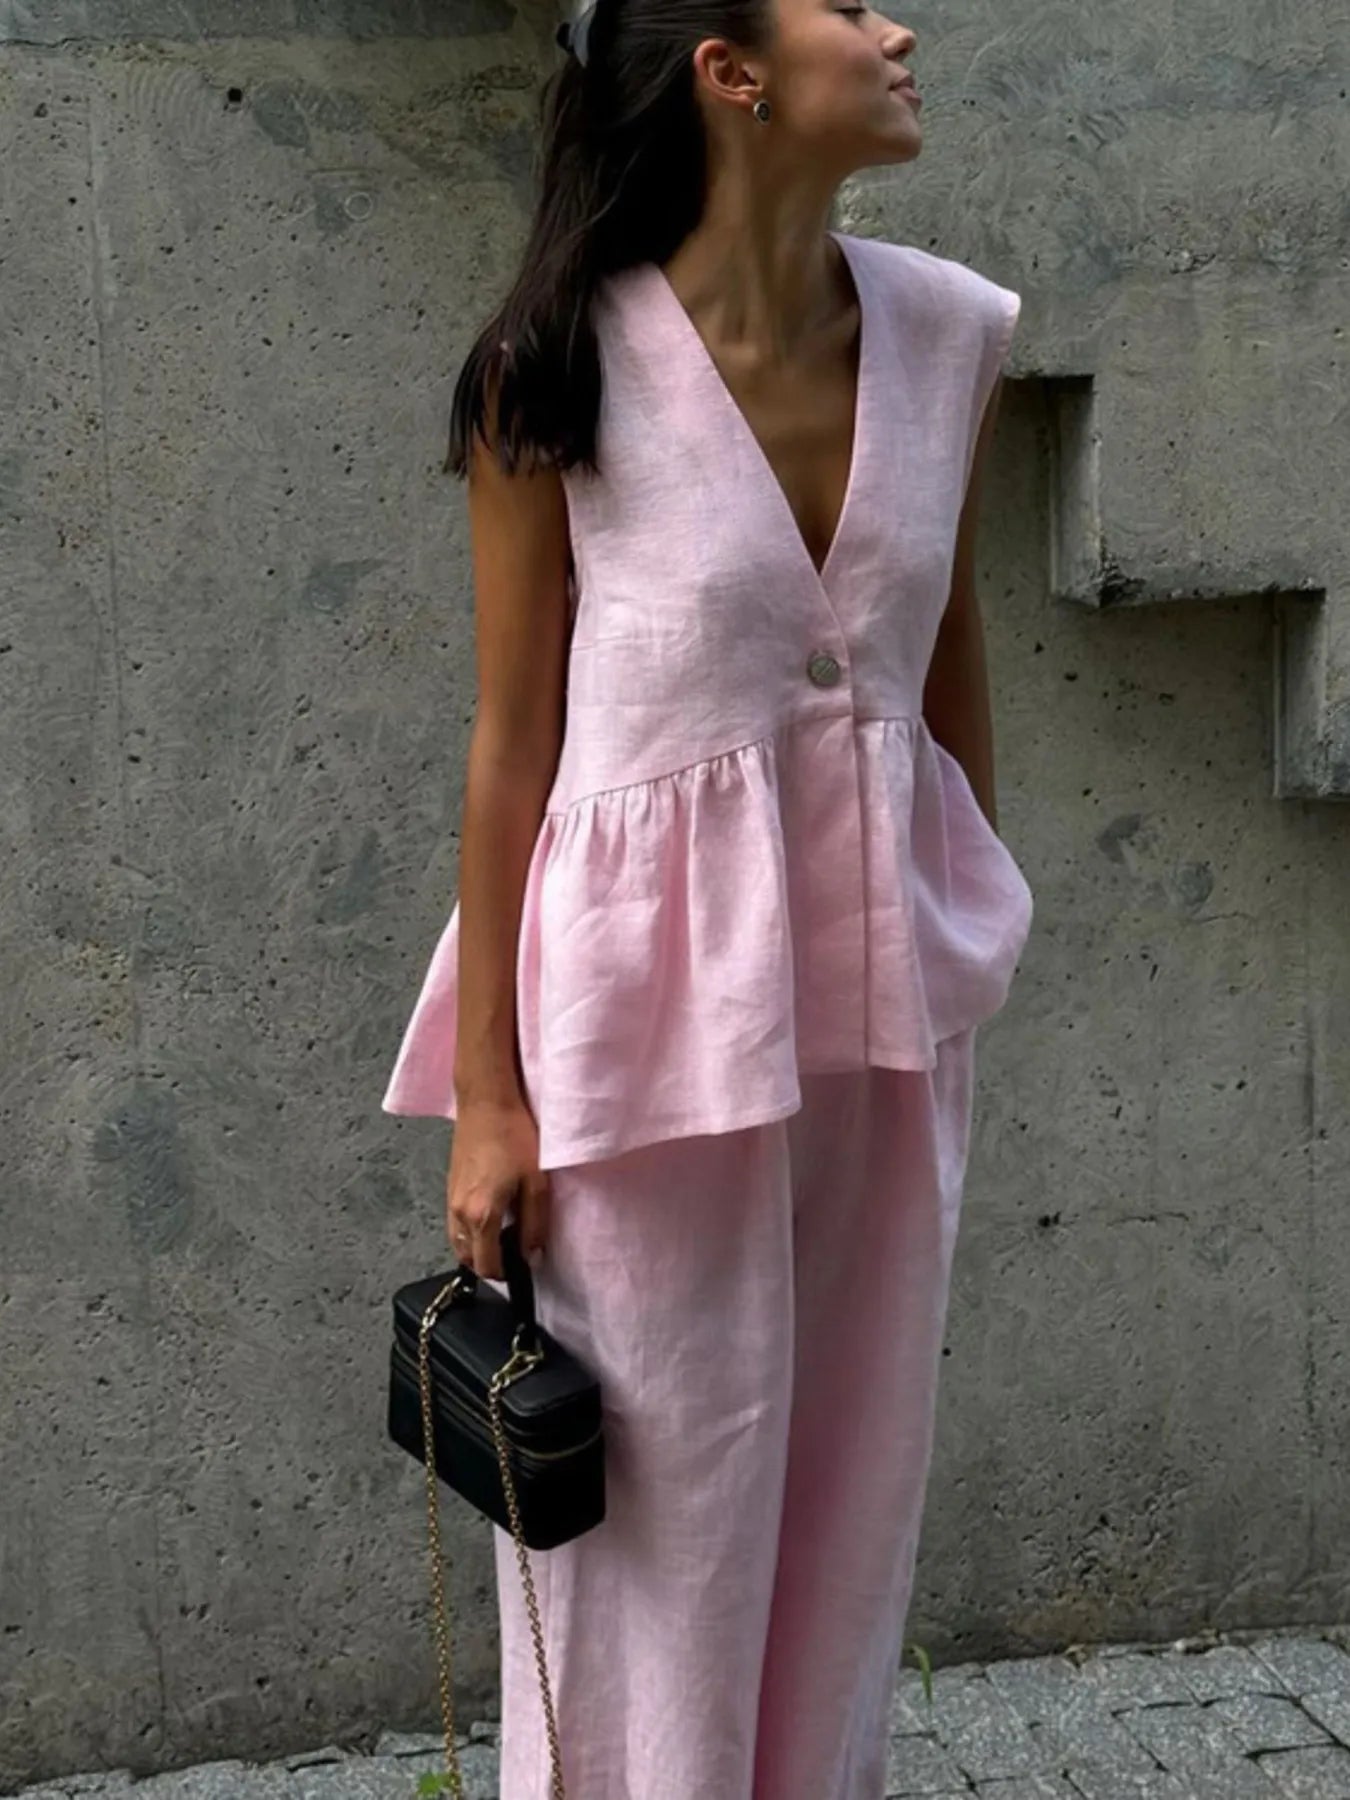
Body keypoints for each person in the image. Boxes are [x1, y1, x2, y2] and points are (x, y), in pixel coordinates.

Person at [381, 0, 1034, 1793]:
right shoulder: (555, 365)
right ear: (728, 74)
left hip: (881, 1024)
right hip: (640, 1033)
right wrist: (490, 1101)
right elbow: (513, 750)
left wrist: (967, 917)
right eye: (846, 6)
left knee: (844, 1497)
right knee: (655, 1524)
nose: (900, 29)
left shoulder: (948, 333)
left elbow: (940, 653)